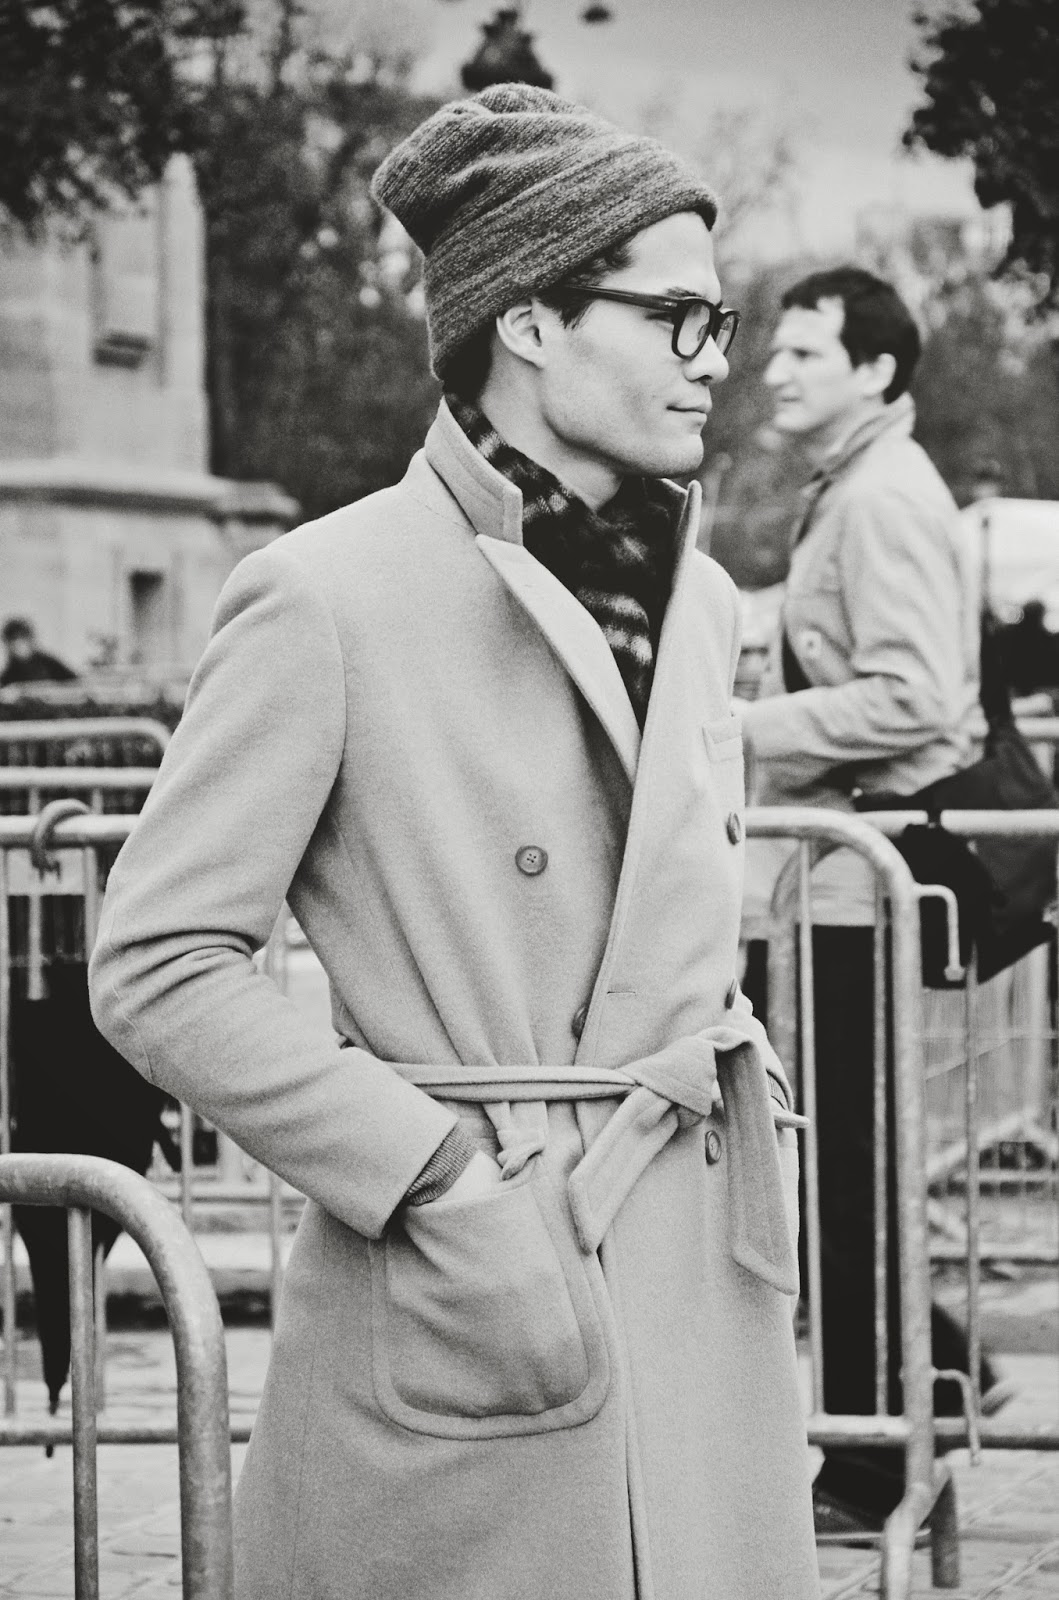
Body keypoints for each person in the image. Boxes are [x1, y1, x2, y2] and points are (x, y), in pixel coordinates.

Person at [89, 85, 819, 1600]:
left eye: (720, 321)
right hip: (470, 1267)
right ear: (529, 321)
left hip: (693, 1269)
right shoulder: (325, 594)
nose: (710, 357)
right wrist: (432, 1178)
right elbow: (159, 964)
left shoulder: (701, 598)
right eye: (674, 317)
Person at [737, 266, 1001, 1539]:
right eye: (778, 349)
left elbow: (914, 695)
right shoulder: (858, 484)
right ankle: (931, 1385)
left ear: (877, 372)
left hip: (867, 878)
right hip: (844, 877)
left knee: (842, 1167)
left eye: (805, 352)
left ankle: (874, 1459)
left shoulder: (883, 496)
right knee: (842, 1163)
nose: (775, 370)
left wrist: (737, 728)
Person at [0, 617, 77, 687]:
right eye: (13, 641)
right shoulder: (9, 673)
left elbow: (75, 682)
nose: (18, 645)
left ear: (30, 639)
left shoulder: (49, 663)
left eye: (21, 638)